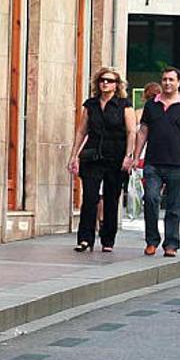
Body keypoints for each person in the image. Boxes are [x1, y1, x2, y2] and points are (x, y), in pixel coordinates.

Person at [132, 66, 180, 258]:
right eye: (164, 79)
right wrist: (135, 157)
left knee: (174, 205)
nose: (167, 83)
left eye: (171, 80)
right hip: (153, 163)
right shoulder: (151, 106)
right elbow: (143, 132)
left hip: (178, 164)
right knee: (151, 199)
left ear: (179, 82)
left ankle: (171, 244)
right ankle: (151, 241)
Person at [67, 67, 136, 252]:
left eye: (110, 80)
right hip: (92, 156)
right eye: (102, 80)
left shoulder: (124, 105)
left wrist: (129, 156)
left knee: (111, 199)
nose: (105, 83)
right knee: (89, 197)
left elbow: (131, 132)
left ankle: (107, 240)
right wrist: (74, 155)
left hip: (115, 156)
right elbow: (82, 130)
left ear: (117, 85)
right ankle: (85, 239)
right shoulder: (91, 105)